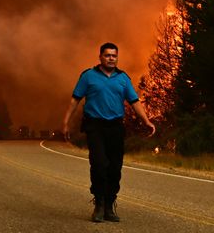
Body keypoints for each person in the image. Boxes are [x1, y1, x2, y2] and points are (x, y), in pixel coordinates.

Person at [62, 42, 155, 223]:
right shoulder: (88, 76)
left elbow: (134, 102)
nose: (111, 58)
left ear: (117, 58)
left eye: (114, 56)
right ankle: (99, 203)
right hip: (95, 126)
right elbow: (75, 100)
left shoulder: (123, 78)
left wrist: (146, 121)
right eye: (107, 55)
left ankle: (109, 205)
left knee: (114, 167)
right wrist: (65, 122)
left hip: (116, 127)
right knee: (99, 164)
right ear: (100, 57)